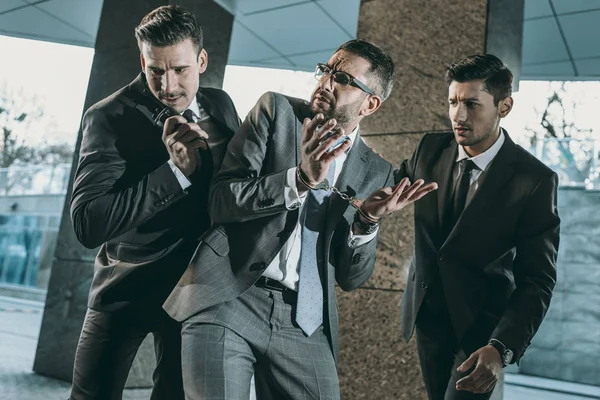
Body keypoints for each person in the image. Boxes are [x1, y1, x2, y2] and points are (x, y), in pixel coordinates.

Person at [163, 39, 437, 399]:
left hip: (304, 320)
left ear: (370, 103)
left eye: (342, 79)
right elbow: (221, 201)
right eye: (325, 70)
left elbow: (353, 278)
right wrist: (300, 180)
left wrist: (366, 223)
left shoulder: (376, 172)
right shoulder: (276, 112)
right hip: (230, 296)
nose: (325, 83)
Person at [68, 5, 241, 399]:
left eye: (180, 70)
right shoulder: (108, 116)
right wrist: (174, 173)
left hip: (194, 294)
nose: (168, 85)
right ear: (141, 61)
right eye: (155, 71)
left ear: (201, 60)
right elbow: (88, 224)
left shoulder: (222, 105)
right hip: (125, 289)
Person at [397, 54, 561, 399]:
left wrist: (501, 347)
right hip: (428, 317)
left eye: (472, 104)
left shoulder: (534, 180)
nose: (458, 115)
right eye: (453, 102)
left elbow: (537, 279)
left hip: (481, 333)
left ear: (505, 106)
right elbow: (385, 185)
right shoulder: (429, 149)